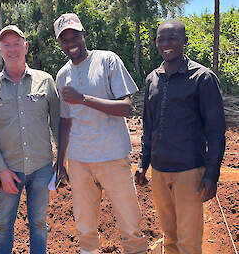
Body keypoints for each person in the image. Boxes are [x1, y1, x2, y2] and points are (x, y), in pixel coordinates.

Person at [53, 13, 147, 254]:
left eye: (75, 36)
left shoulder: (107, 60)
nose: (71, 42)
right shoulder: (62, 75)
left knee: (130, 226)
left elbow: (126, 108)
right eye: (65, 39)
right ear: (59, 44)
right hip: (79, 161)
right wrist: (60, 160)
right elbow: (65, 121)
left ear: (84, 35)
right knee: (85, 228)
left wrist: (83, 99)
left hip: (112, 157)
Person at [135, 19, 226, 254]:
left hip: (189, 173)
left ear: (184, 41)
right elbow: (148, 126)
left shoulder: (202, 78)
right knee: (171, 237)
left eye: (172, 38)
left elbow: (215, 131)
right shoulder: (152, 79)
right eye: (161, 39)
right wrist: (143, 164)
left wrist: (211, 175)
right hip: (160, 172)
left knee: (189, 242)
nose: (166, 44)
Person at [0, 25, 60, 254]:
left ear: (26, 47)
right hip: (9, 170)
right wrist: (2, 171)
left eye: (17, 44)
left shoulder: (45, 81)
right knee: (4, 226)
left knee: (38, 224)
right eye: (7, 45)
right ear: (0, 49)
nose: (12, 49)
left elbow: (56, 124)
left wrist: (61, 158)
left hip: (41, 168)